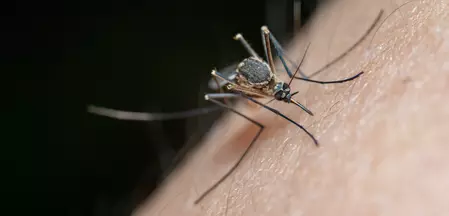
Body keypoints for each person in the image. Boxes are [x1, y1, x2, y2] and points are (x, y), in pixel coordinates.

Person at [134, 0, 449, 215]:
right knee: (228, 82)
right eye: (284, 93)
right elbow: (232, 85)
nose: (286, 93)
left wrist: (307, 79)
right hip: (239, 83)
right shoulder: (258, 87)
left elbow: (275, 72)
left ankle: (304, 79)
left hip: (257, 74)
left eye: (284, 92)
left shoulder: (275, 79)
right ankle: (257, 123)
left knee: (265, 36)